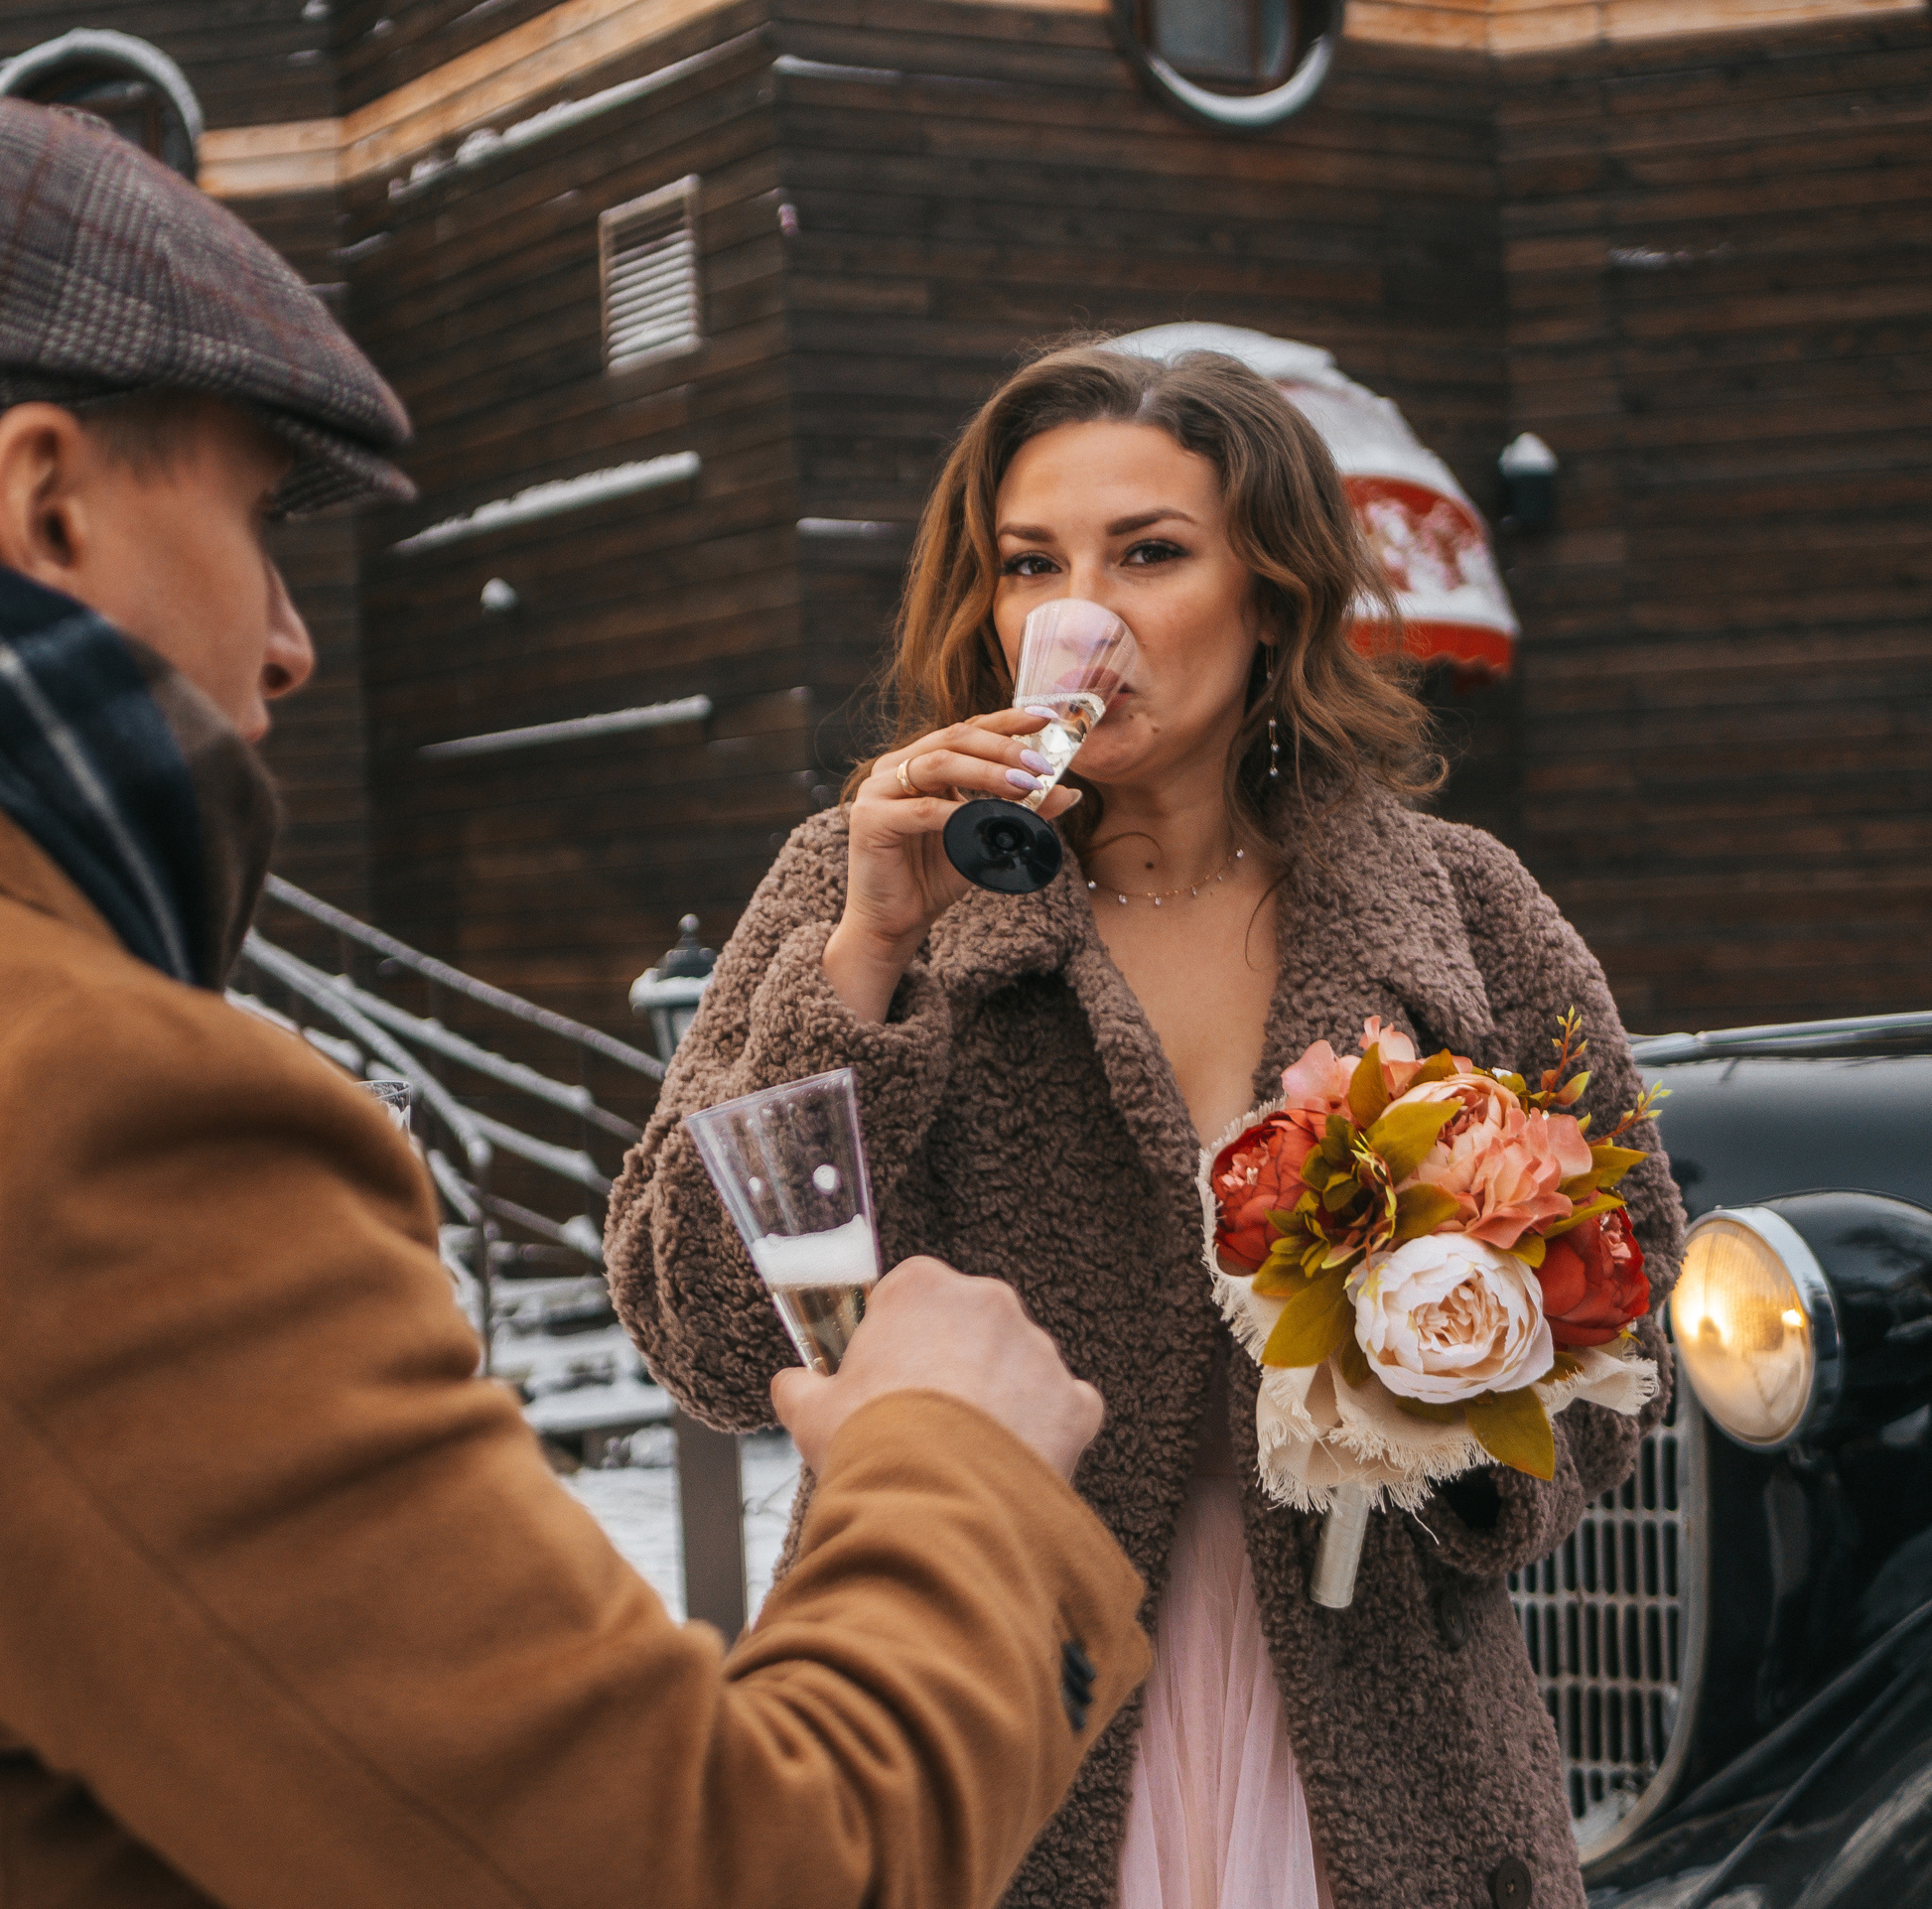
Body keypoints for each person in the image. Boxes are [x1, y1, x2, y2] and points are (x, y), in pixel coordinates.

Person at [0, 91, 1157, 1906]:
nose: (294, 644)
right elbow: (726, 1874)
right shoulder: (76, 1116)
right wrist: (961, 1471)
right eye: (254, 520)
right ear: (47, 502)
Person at [607, 338, 1689, 1909]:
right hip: (981, 1718)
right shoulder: (862, 881)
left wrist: (1445, 1414)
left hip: (1381, 1739)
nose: (1082, 614)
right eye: (1030, 564)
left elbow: (1627, 1284)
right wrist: (870, 955)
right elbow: (702, 1330)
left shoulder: (1463, 907)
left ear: (1273, 599)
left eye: (1151, 554)